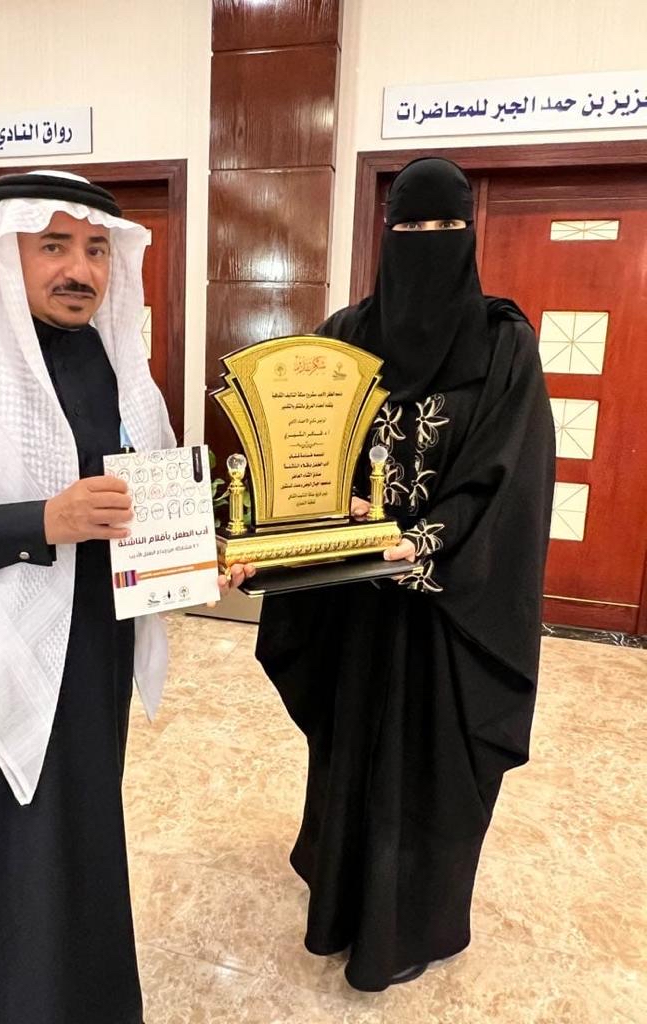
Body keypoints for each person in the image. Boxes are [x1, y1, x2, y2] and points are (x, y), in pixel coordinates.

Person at [0, 170, 251, 1024]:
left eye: (95, 249)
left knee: (76, 841)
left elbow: (140, 504)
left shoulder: (116, 363)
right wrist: (37, 521)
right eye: (54, 246)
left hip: (91, 657)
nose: (79, 269)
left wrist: (200, 553)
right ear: (6, 251)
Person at [256, 157, 555, 992]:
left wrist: (415, 540)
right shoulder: (344, 336)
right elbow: (308, 452)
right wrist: (319, 513)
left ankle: (414, 922)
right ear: (384, 236)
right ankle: (342, 904)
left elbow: (509, 475)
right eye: (409, 228)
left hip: (449, 611)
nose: (426, 242)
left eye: (444, 228)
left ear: (470, 234)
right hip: (353, 606)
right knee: (350, 751)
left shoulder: (503, 344)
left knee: (436, 765)